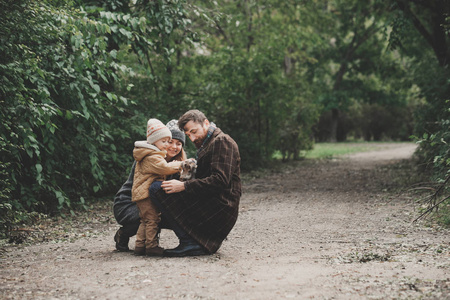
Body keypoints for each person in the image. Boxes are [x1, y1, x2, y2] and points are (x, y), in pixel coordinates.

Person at [149, 109, 241, 257]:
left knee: (156, 189)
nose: (192, 138)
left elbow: (220, 180)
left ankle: (190, 242)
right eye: (188, 135)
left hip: (220, 207)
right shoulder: (208, 143)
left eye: (194, 131)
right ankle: (195, 240)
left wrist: (184, 186)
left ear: (205, 123)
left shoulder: (222, 141)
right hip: (210, 201)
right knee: (159, 201)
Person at [113, 119, 187, 253]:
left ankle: (144, 245)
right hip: (129, 203)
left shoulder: (177, 163)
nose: (173, 147)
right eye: (170, 142)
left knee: (164, 212)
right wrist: (180, 165)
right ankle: (125, 234)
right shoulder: (149, 158)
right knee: (150, 216)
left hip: (148, 201)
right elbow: (163, 169)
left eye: (179, 143)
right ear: (159, 141)